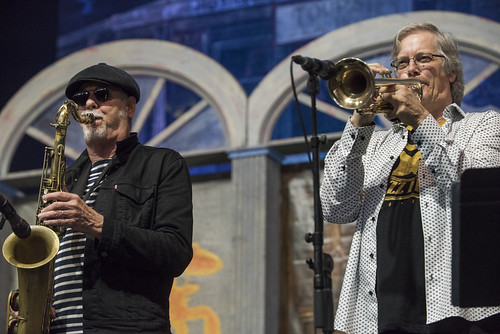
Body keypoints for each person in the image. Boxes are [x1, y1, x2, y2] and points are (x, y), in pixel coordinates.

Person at [320, 23, 500, 334]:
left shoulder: (483, 125)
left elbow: (465, 188)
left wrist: (418, 117)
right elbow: (337, 209)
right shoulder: (374, 143)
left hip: (459, 311)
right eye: (402, 63)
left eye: (423, 59)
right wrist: (359, 123)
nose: (410, 70)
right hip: (376, 315)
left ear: (451, 72)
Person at [37, 63, 193, 333]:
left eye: (102, 94)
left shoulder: (163, 164)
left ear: (129, 107)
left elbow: (176, 252)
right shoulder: (67, 177)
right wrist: (33, 297)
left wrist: (97, 224)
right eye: (80, 98)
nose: (89, 103)